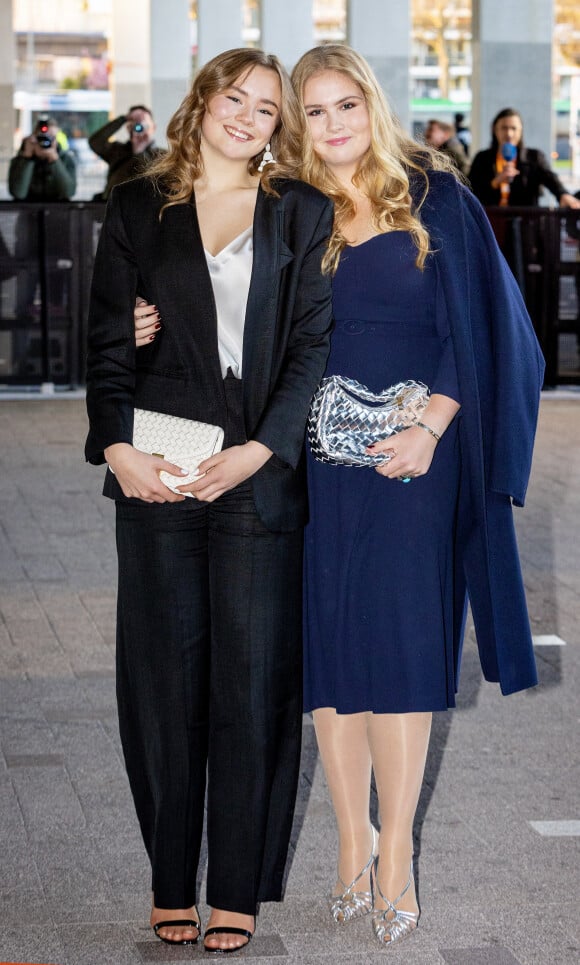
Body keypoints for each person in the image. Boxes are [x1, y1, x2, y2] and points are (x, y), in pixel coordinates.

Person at [135, 43, 545, 950]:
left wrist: (432, 427)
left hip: (411, 462)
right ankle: (349, 840)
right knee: (330, 656)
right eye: (311, 112)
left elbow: (480, 328)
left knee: (400, 652)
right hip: (314, 463)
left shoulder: (438, 195)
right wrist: (145, 318)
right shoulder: (289, 209)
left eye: (343, 105)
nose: (331, 126)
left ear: (372, 103)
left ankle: (395, 847)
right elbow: (225, 307)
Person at [85, 48, 333, 954]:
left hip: (257, 476)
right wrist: (118, 448)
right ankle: (166, 881)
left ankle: (234, 885)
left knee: (255, 685)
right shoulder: (135, 208)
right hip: (158, 469)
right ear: (206, 101)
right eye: (237, 97)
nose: (249, 116)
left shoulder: (300, 211)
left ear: (279, 126)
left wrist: (261, 451)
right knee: (161, 684)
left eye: (268, 108)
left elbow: (312, 346)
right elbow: (107, 340)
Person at [469, 107, 580, 209]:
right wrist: (496, 182)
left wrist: (563, 195)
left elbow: (551, 179)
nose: (509, 133)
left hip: (525, 223)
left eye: (514, 128)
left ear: (521, 131)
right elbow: (471, 191)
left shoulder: (534, 157)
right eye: (504, 128)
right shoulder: (482, 158)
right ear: (495, 130)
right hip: (491, 221)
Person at [88, 105, 163, 200]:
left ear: (153, 127)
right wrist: (123, 119)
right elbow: (95, 142)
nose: (139, 128)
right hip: (113, 204)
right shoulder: (118, 151)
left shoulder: (162, 156)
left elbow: (149, 182)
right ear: (128, 128)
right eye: (135, 125)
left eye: (144, 125)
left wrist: (139, 153)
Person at [8, 116, 77, 203]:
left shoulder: (66, 159)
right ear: (33, 138)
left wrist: (55, 160)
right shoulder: (19, 160)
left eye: (51, 138)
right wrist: (27, 158)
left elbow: (68, 192)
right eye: (41, 138)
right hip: (27, 211)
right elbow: (18, 193)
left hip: (58, 211)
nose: (45, 142)